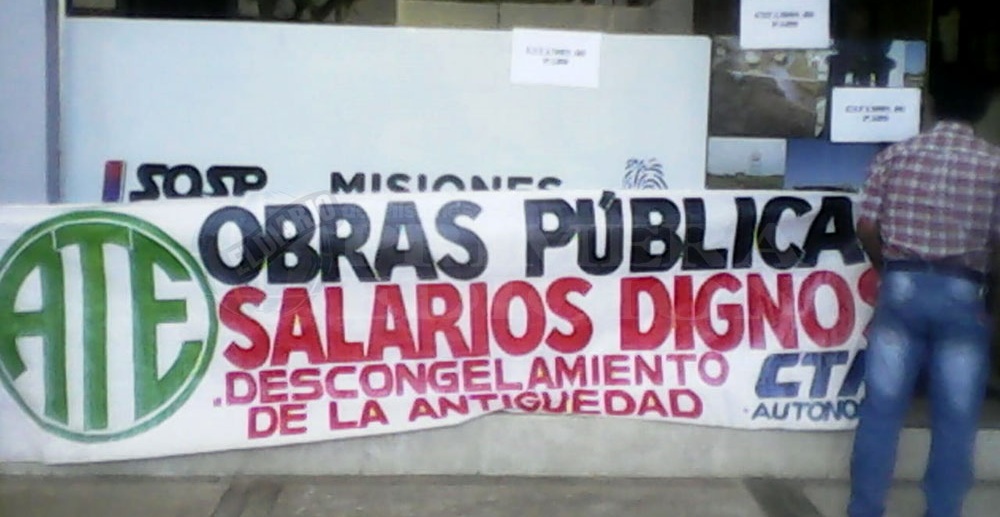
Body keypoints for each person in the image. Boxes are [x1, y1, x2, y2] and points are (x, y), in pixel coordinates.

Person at [850, 70, 1000, 517]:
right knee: (956, 416)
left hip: (901, 286)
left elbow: (866, 226)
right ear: (983, 110)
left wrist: (888, 266)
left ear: (931, 104)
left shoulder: (895, 155)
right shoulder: (994, 165)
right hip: (964, 291)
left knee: (881, 410)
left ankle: (865, 510)